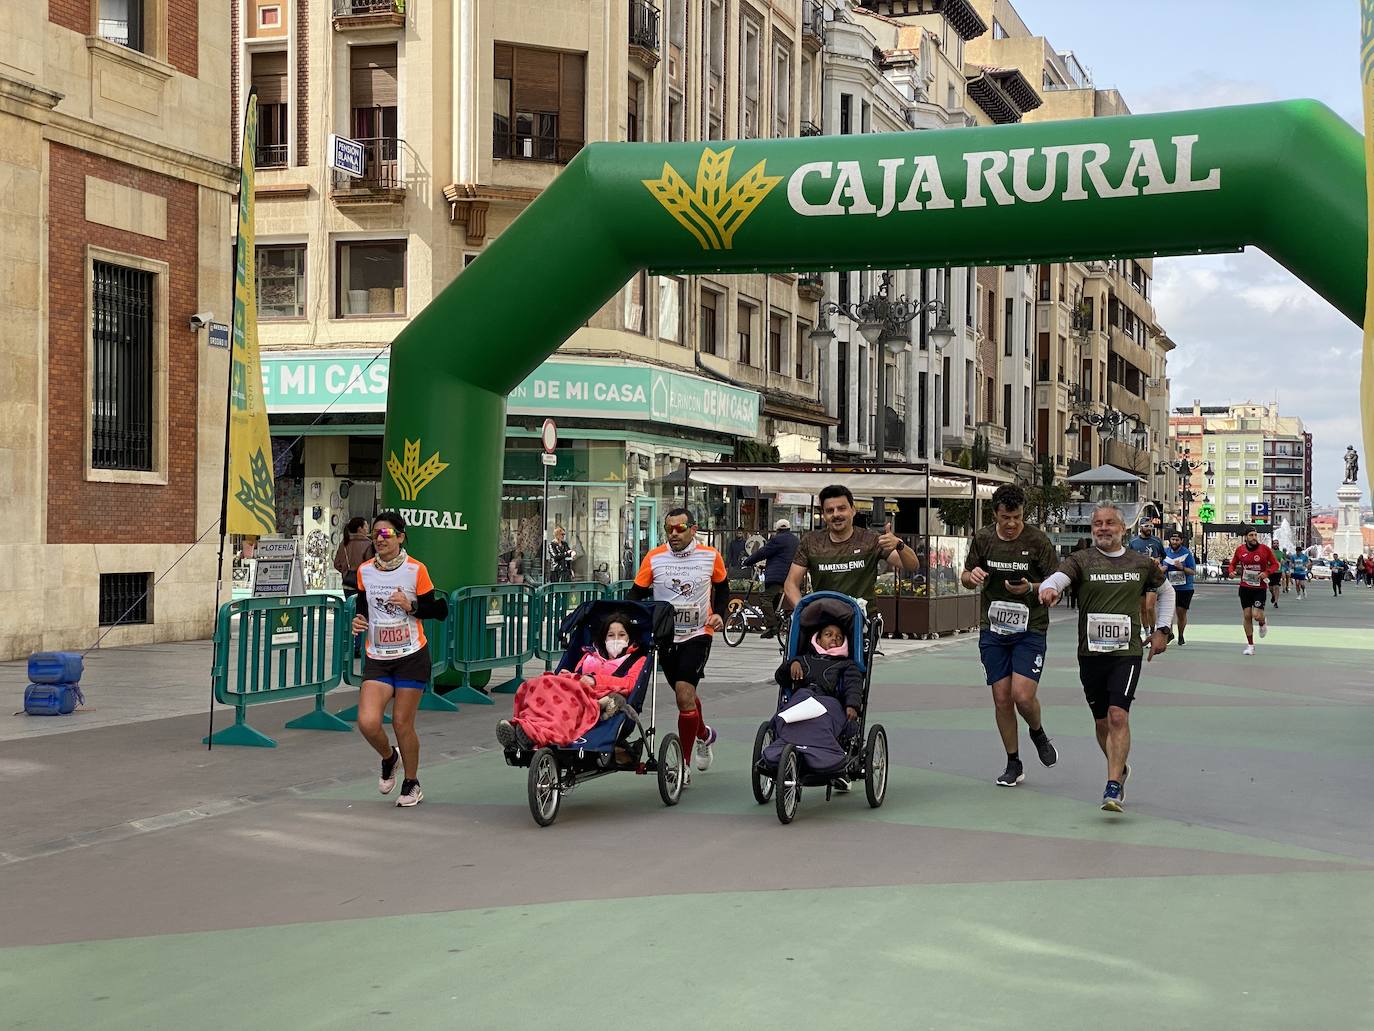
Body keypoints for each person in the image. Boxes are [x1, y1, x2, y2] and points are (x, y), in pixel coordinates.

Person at [1039, 503, 1173, 813]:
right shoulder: (1081, 560)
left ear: (1123, 528)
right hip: (1091, 653)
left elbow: (1167, 592)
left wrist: (1162, 630)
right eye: (1097, 523)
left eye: (1109, 523)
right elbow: (1058, 579)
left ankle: (1113, 784)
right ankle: (1120, 767)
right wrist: (1048, 589)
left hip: (1126, 652)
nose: (1102, 528)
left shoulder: (1141, 562)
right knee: (1101, 721)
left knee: (1117, 715)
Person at [960, 483, 1061, 787]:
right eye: (1006, 517)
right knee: (1002, 698)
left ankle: (1038, 732)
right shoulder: (983, 539)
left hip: (1030, 628)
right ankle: (1013, 762)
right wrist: (972, 577)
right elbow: (965, 576)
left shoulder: (1038, 541)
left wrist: (1031, 588)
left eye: (1017, 517)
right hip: (993, 628)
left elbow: (1055, 581)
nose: (1012, 523)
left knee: (1022, 696)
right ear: (996, 514)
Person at [351, 512, 449, 808]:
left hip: (411, 656)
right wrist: (358, 621)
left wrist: (412, 605)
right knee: (368, 722)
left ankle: (411, 782)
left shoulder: (415, 570)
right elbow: (362, 607)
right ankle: (389, 757)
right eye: (376, 534)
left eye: (386, 534)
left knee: (401, 723)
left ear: (400, 537)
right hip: (378, 657)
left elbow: (439, 610)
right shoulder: (365, 571)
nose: (380, 540)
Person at [629, 508, 728, 785]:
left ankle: (682, 766)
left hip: (698, 632)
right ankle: (704, 735)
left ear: (693, 530)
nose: (674, 534)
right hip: (666, 636)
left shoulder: (710, 556)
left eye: (680, 528)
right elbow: (636, 593)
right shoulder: (654, 557)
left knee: (684, 695)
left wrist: (720, 613)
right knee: (686, 694)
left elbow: (723, 588)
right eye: (668, 529)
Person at [496, 611, 647, 752]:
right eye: (611, 635)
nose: (616, 640)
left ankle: (532, 733)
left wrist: (595, 680)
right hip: (574, 688)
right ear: (604, 638)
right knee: (537, 685)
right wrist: (569, 675)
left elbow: (630, 683)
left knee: (564, 705)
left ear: (629, 638)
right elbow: (577, 674)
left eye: (621, 635)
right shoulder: (590, 655)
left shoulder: (636, 660)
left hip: (593, 697)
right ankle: (522, 727)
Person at [784, 484, 921, 609]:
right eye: (830, 510)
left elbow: (912, 565)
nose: (836, 514)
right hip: (825, 621)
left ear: (853, 510)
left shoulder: (871, 540)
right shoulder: (811, 542)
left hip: (862, 622)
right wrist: (803, 611)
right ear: (824, 515)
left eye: (842, 509)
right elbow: (791, 584)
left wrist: (899, 545)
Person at [743, 519, 800, 639]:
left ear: (777, 529)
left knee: (764, 598)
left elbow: (762, 552)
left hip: (777, 576)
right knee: (774, 600)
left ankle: (772, 626)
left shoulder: (777, 539)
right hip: (791, 575)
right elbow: (783, 557)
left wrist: (748, 562)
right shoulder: (795, 540)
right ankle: (774, 622)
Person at [1227, 529, 1279, 655]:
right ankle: (1250, 645)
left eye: (1255, 535)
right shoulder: (1240, 550)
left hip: (1259, 588)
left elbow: (1275, 565)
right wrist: (1231, 572)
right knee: (1247, 616)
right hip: (1245, 587)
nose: (1254, 537)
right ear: (1246, 537)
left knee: (1257, 615)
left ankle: (1262, 622)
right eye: (1251, 535)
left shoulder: (1265, 549)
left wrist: (1266, 572)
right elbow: (1232, 564)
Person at [1128, 520, 1166, 629]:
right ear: (1140, 527)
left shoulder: (1157, 541)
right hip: (1139, 578)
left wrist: (1158, 560)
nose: (1149, 528)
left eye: (1151, 526)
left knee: (1150, 607)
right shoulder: (1133, 542)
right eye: (1146, 526)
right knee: (1142, 609)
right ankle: (1146, 630)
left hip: (1152, 578)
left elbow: (1163, 556)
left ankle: (1153, 630)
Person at [1162, 531, 1198, 645]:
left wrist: (1182, 567)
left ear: (1181, 541)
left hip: (1185, 588)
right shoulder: (1165, 552)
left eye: (1177, 540)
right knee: (1169, 613)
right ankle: (1170, 634)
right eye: (1173, 539)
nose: (1174, 542)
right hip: (1168, 588)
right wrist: (1162, 569)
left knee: (1181, 613)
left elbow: (1192, 571)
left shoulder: (1186, 553)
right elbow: (1160, 568)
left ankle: (1181, 635)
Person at [333, 517, 373, 597]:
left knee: (350, 607)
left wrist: (346, 571)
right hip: (363, 583)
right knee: (362, 608)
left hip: (347, 583)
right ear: (359, 528)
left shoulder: (344, 543)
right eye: (365, 526)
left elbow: (337, 563)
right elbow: (370, 565)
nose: (367, 529)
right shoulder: (368, 544)